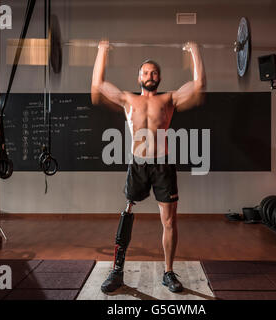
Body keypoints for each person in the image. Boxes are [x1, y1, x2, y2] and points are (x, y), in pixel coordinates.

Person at [91, 40, 206, 293]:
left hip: (163, 165)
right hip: (138, 164)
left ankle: (168, 272)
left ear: (160, 77)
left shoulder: (170, 99)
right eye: (146, 72)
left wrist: (195, 51)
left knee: (169, 221)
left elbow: (198, 85)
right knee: (127, 212)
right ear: (139, 76)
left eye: (154, 72)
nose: (150, 76)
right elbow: (99, 85)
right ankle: (117, 270)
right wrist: (102, 51)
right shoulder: (127, 99)